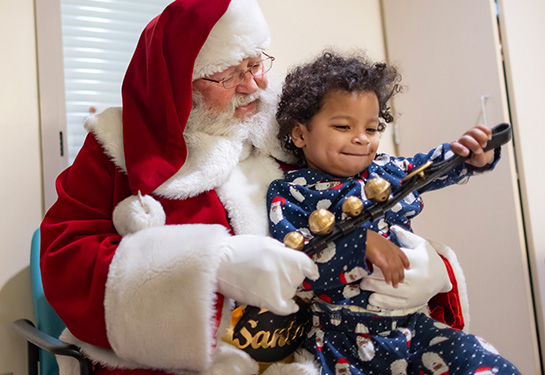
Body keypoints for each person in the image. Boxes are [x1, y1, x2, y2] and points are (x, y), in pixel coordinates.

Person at [40, 1, 458, 374]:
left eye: (255, 65)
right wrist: (212, 265)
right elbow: (67, 263)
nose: (253, 86)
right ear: (179, 84)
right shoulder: (117, 146)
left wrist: (431, 268)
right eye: (228, 76)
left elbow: (364, 204)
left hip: (320, 352)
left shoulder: (294, 128)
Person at [267, 51, 520, 374]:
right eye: (343, 126)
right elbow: (291, 264)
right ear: (301, 134)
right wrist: (361, 243)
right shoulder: (290, 191)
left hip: (415, 329)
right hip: (341, 341)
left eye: (372, 129)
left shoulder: (386, 170)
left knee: (490, 365)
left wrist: (472, 156)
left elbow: (430, 167)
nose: (361, 138)